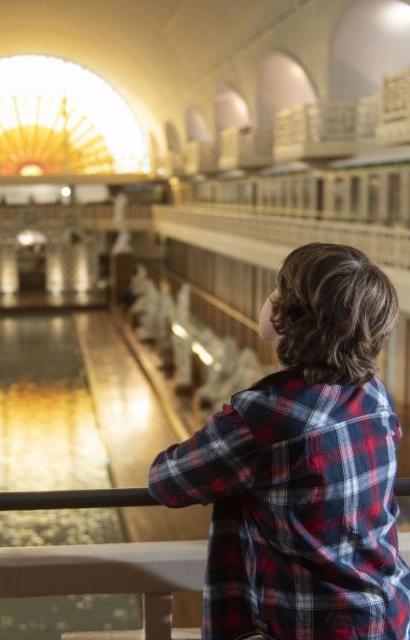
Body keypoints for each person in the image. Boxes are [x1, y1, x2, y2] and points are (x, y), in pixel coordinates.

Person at [148, 243, 410, 640]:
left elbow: (167, 481)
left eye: (280, 291)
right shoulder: (373, 394)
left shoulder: (268, 415)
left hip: (316, 627)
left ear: (287, 315)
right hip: (389, 614)